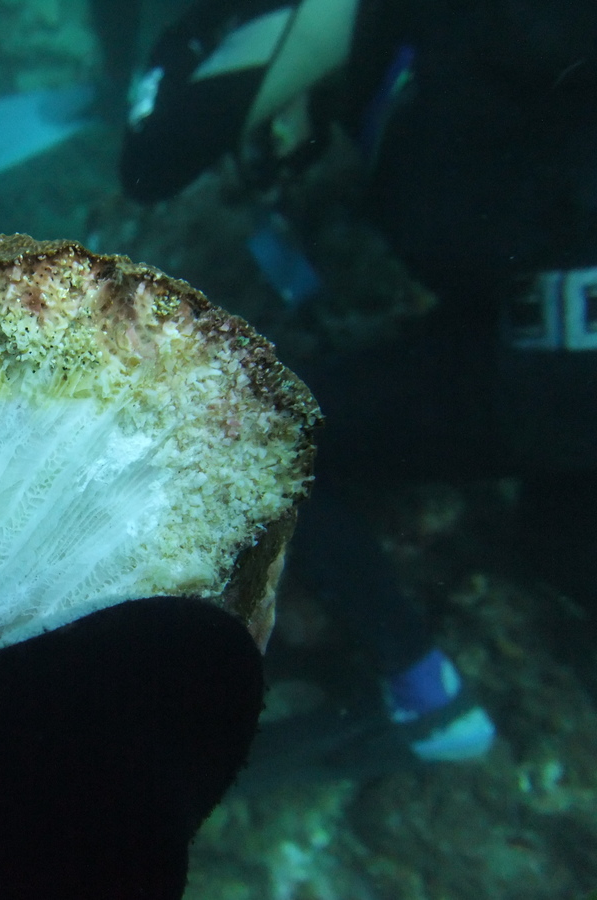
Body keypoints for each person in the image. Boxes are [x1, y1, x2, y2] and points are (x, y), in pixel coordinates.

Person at [116, 0, 597, 768]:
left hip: (554, 358)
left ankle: (427, 702)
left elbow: (151, 158)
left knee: (264, 431)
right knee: (557, 540)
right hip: (541, 353)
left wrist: (192, 36)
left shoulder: (346, 13)